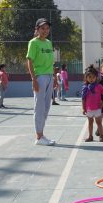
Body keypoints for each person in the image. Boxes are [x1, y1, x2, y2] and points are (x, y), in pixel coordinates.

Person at [26, 18, 57, 146]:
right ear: (37, 29)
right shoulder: (33, 43)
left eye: (47, 28)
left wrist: (54, 77)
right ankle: (38, 137)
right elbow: (29, 61)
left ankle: (41, 135)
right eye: (42, 28)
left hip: (49, 76)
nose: (45, 31)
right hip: (40, 77)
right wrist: (34, 79)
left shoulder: (49, 43)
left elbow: (51, 62)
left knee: (46, 107)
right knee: (39, 107)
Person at [82, 66, 103, 142]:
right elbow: (83, 99)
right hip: (89, 108)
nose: (91, 79)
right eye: (89, 77)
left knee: (98, 122)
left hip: (97, 108)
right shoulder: (85, 87)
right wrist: (83, 108)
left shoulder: (99, 86)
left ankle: (101, 136)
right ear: (86, 78)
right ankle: (90, 136)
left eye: (93, 77)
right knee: (90, 123)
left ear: (96, 77)